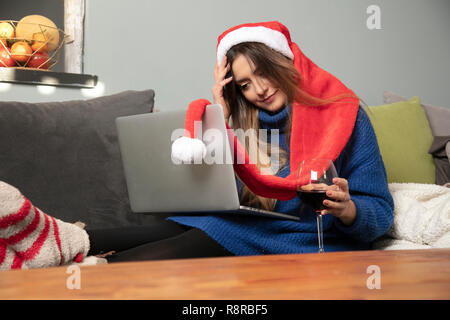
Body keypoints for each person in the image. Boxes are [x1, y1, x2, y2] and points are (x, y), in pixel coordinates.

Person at [0, 21, 394, 270]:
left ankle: (75, 258)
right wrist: (220, 115)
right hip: (254, 224)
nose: (258, 90)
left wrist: (349, 208)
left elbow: (380, 211)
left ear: (287, 62)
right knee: (187, 224)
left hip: (312, 237)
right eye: (243, 84)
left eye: (264, 73)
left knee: (204, 233)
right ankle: (64, 239)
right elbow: (222, 195)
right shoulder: (243, 119)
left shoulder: (346, 116)